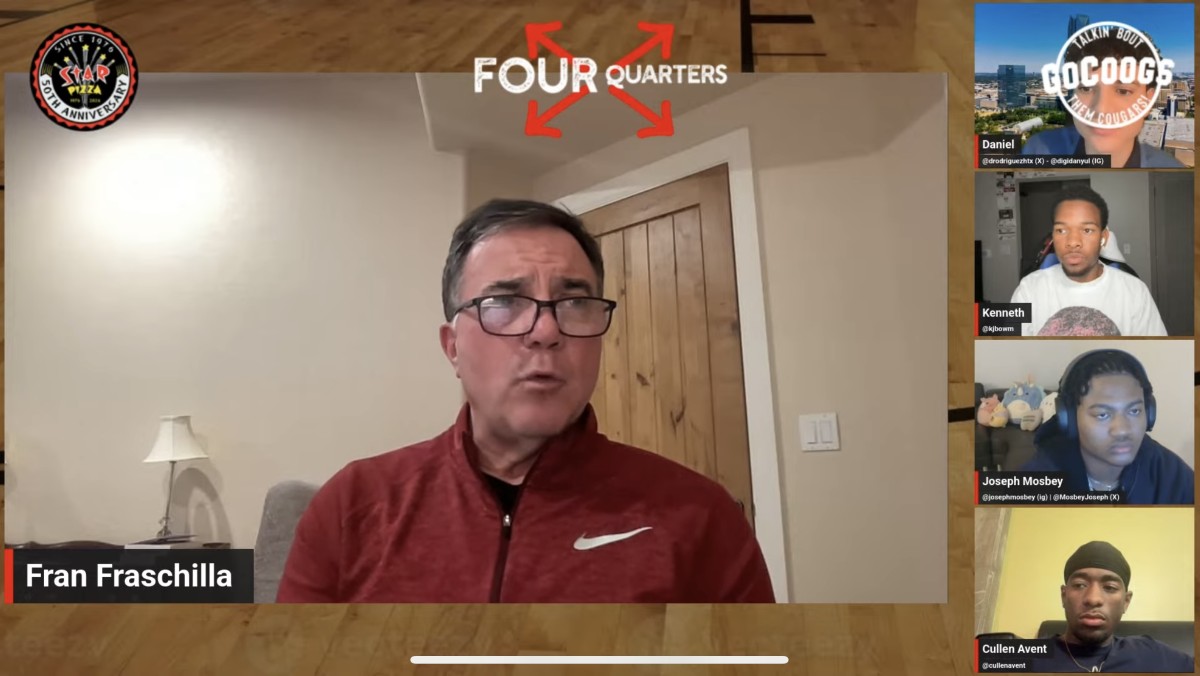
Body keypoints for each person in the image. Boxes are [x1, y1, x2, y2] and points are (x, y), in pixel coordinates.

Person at [276, 198, 776, 603]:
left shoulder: (699, 518)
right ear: (453, 347)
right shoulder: (351, 508)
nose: (546, 330)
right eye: (504, 301)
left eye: (574, 302)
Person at [1020, 349, 1193, 504]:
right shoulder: (1035, 484)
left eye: (1134, 411)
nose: (1122, 430)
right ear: (1069, 419)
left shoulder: (1169, 472)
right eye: (1102, 414)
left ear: (1149, 413)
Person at [1010, 185, 1167, 336]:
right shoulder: (1028, 290)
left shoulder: (1135, 292)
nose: (1073, 242)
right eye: (1061, 230)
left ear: (1103, 238)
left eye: (1087, 230)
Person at [1022, 35, 1185, 168]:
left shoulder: (1172, 172)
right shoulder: (1037, 151)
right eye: (1086, 88)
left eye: (1123, 91)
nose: (1101, 109)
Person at [1031, 541, 1193, 672]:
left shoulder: (1152, 653)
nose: (1093, 599)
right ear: (1064, 596)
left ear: (1126, 601)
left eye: (1109, 587)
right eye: (1080, 585)